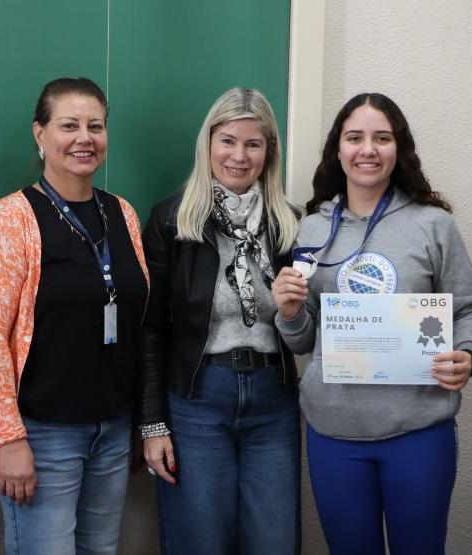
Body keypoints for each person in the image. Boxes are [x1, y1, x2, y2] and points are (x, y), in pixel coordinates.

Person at [272, 92, 472, 555]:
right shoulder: (312, 229)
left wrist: (468, 355)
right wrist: (290, 313)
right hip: (335, 434)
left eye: (382, 138)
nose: (367, 149)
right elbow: (304, 337)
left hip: (419, 431)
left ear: (400, 148)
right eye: (355, 138)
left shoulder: (434, 225)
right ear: (338, 150)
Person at [0, 77, 149, 555]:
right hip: (39, 433)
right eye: (69, 125)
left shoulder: (122, 213)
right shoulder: (12, 217)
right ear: (40, 133)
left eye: (96, 126)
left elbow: (136, 321)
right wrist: (8, 438)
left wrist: (135, 423)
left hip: (111, 428)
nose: (84, 138)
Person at [138, 87, 301, 554]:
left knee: (274, 542)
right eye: (227, 140)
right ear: (207, 143)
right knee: (200, 541)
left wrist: (293, 311)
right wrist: (153, 426)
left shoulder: (288, 223)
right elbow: (151, 328)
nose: (239, 155)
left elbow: (301, 326)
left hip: (273, 401)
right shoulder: (172, 221)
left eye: (253, 144)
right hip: (197, 399)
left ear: (269, 152)